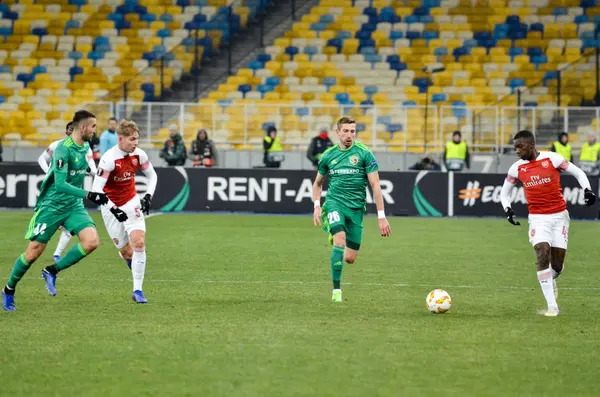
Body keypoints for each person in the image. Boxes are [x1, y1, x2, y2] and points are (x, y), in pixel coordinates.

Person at [1, 110, 109, 312]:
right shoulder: (62, 149)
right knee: (33, 253)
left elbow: (84, 169)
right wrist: (89, 194)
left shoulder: (85, 146)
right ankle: (8, 289)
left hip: (73, 206)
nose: (96, 130)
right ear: (83, 127)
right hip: (52, 205)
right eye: (93, 126)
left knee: (92, 241)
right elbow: (60, 184)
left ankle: (51, 270)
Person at [500, 130, 596, 317]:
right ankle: (552, 306)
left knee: (557, 265)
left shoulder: (552, 159)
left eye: (520, 147)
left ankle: (552, 277)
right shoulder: (516, 168)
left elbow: (578, 172)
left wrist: (588, 190)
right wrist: (508, 209)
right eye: (515, 148)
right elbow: (504, 193)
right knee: (542, 252)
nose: (517, 151)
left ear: (531, 145)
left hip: (560, 217)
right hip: (538, 218)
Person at [312, 117, 391, 303]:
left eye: (352, 131)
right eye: (345, 131)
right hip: (334, 203)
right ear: (338, 132)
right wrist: (317, 205)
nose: (349, 135)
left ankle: (337, 234)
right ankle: (336, 291)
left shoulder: (365, 154)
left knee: (349, 258)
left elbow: (375, 185)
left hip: (355, 208)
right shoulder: (328, 156)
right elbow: (317, 184)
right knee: (340, 240)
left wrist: (381, 216)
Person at [92, 120, 157, 303]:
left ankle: (138, 290)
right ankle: (133, 263)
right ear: (121, 139)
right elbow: (96, 190)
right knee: (127, 252)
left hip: (131, 202)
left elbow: (152, 175)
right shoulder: (108, 159)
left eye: (137, 139)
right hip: (109, 206)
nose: (135, 143)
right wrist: (114, 209)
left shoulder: (139, 155)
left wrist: (148, 196)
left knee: (139, 242)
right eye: (132, 139)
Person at [37, 121, 98, 263]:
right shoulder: (57, 145)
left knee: (68, 229)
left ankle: (57, 255)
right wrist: (49, 174)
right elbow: (41, 159)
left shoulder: (85, 148)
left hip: (73, 192)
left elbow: (91, 166)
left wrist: (95, 173)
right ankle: (53, 253)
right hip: (56, 192)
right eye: (70, 130)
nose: (73, 133)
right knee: (41, 238)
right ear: (67, 132)